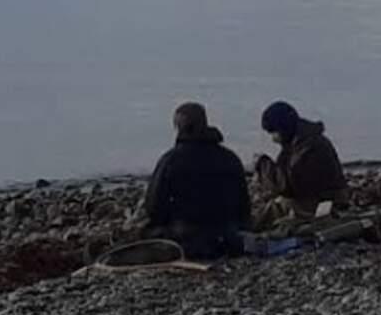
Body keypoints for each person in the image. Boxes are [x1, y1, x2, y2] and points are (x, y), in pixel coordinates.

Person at [140, 101, 251, 260]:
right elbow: (244, 205)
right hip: (228, 237)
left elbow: (153, 206)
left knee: (146, 231)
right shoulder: (230, 158)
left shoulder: (170, 160)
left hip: (185, 238)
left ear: (179, 127)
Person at [253, 100, 349, 215]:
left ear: (283, 128)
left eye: (274, 132)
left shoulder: (308, 147)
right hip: (320, 199)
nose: (273, 139)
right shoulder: (301, 142)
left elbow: (287, 187)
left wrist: (262, 164)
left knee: (274, 209)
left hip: (325, 203)